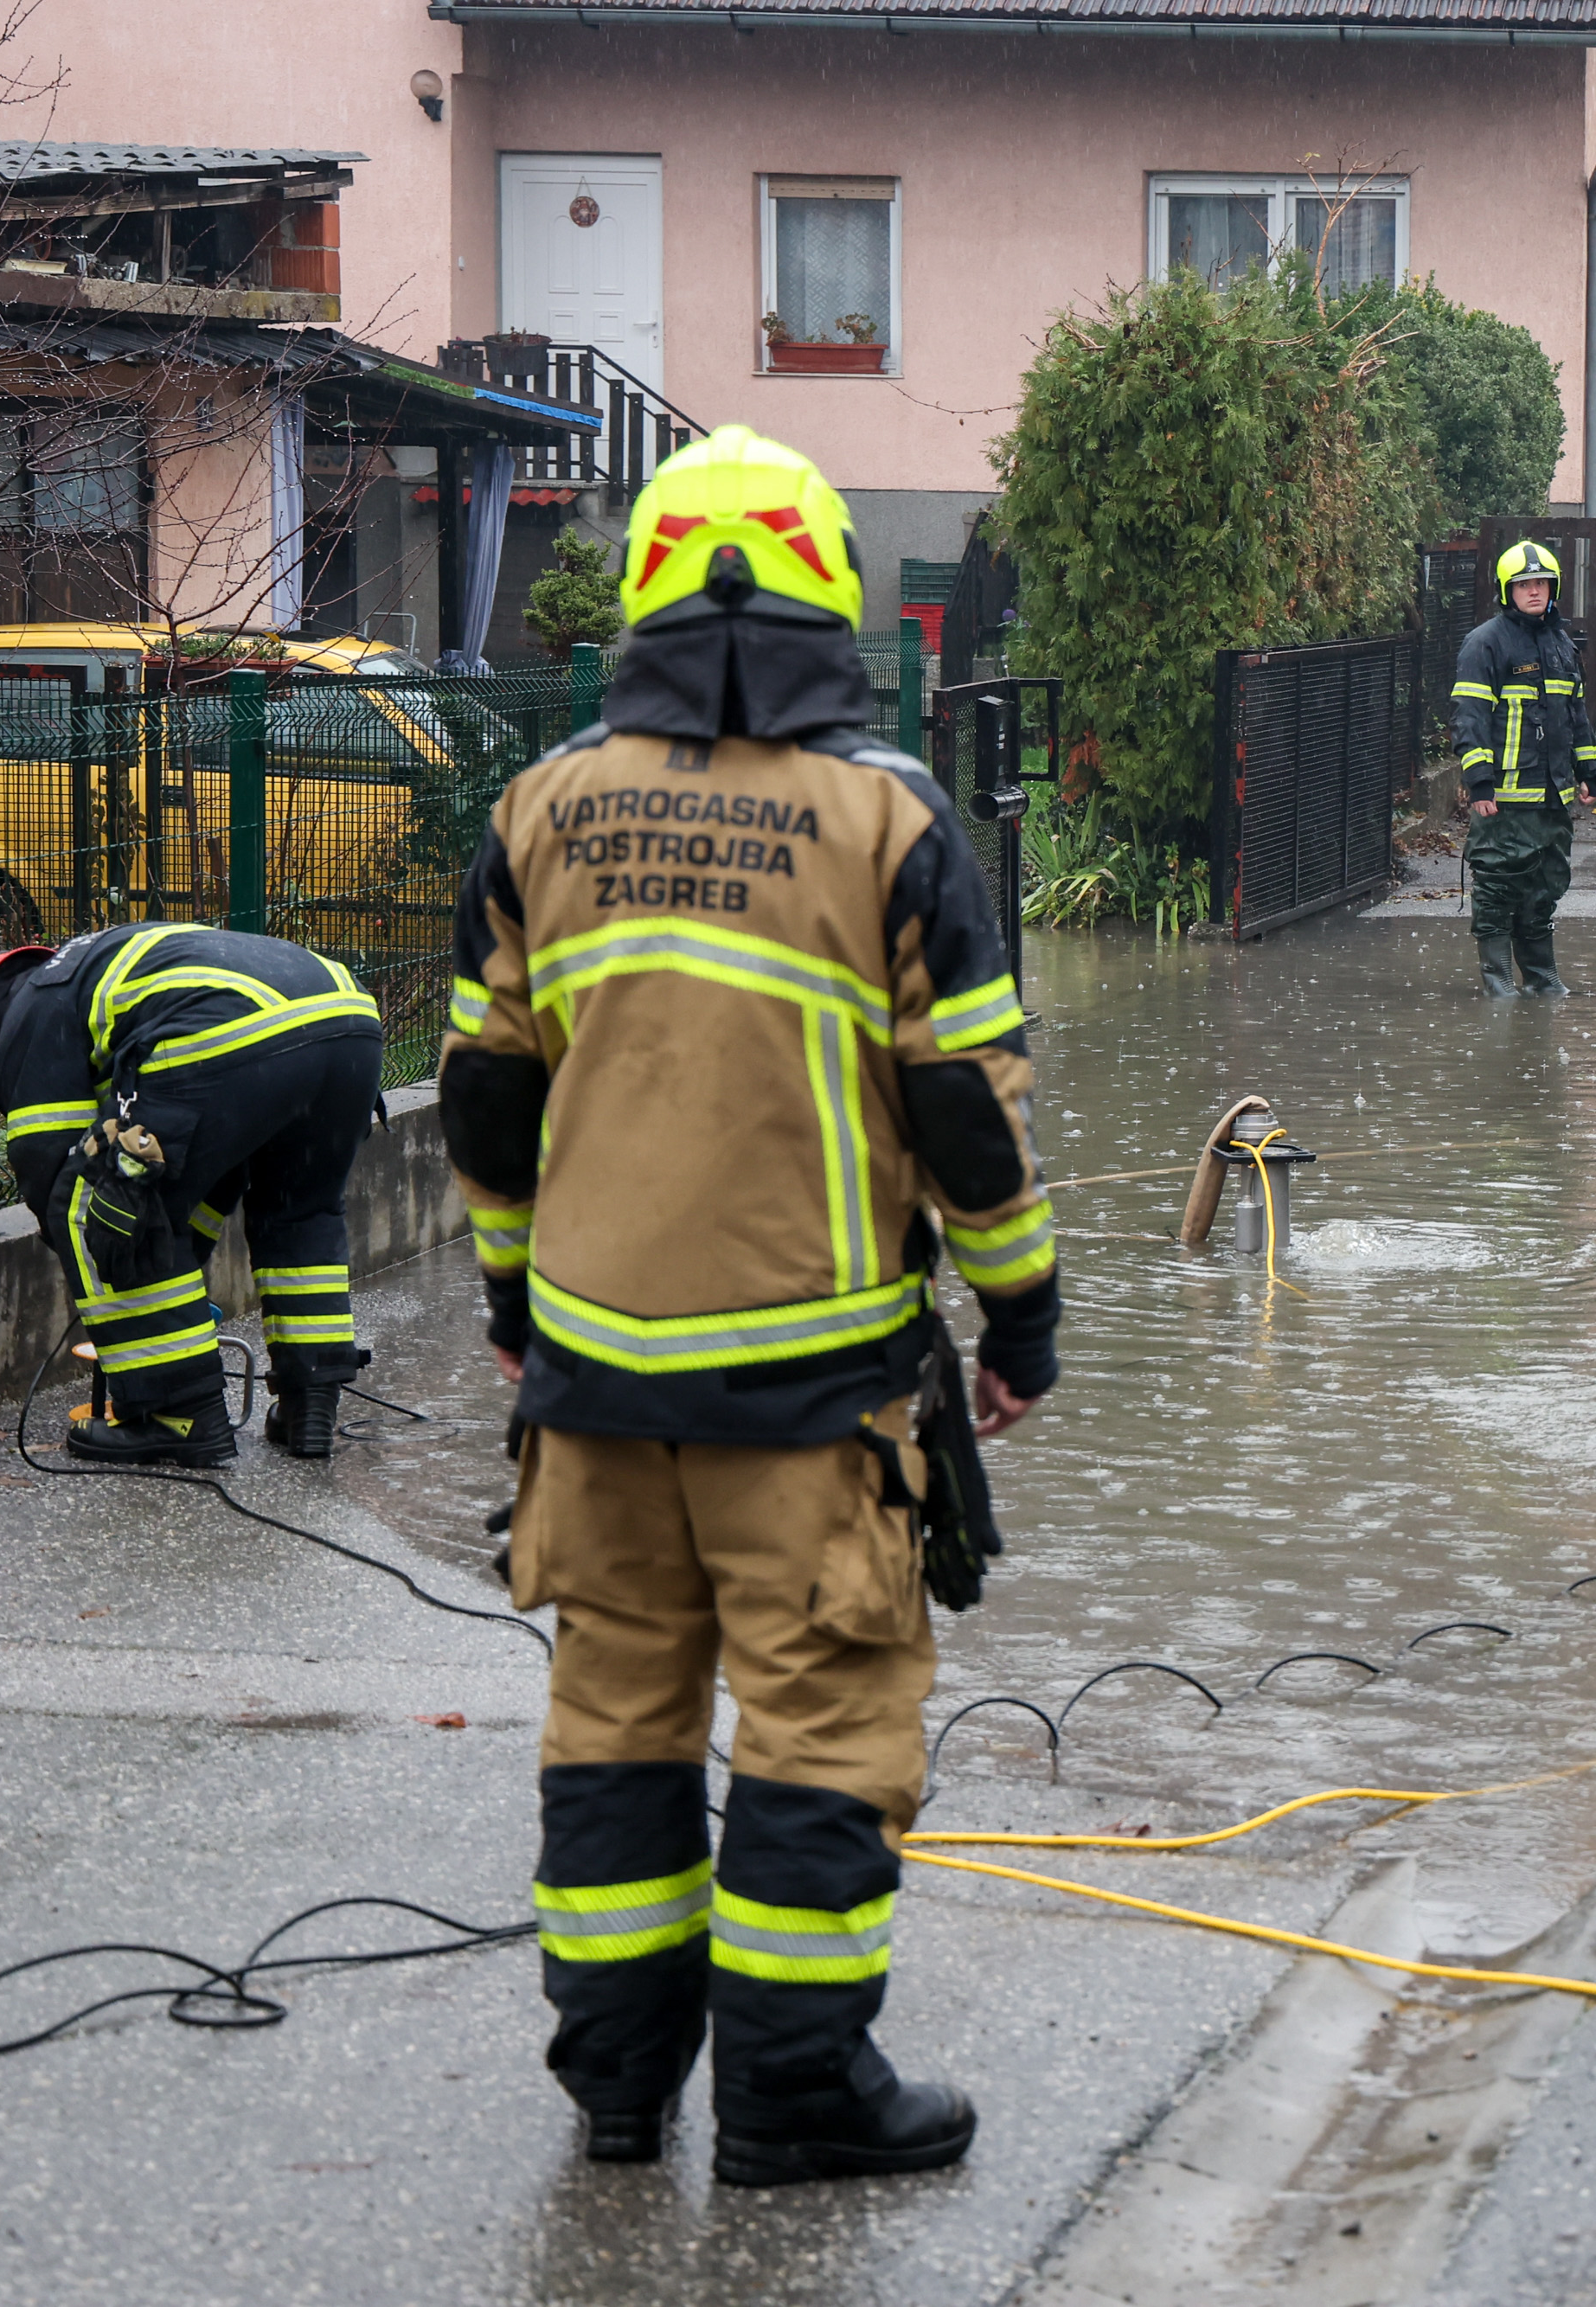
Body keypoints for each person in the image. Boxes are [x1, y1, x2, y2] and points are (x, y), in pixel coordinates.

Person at [438, 423, 1059, 2184]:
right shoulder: (888, 818)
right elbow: (965, 1113)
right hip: (807, 1397)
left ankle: (616, 2088)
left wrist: (507, 1290)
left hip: (593, 1382)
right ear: (826, 593)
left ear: (643, 588)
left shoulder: (541, 809)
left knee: (616, 1720)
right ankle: (793, 2096)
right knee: (820, 1724)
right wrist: (1019, 1327)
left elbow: (487, 1091)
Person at [0, 927, 384, 1465]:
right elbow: (199, 1166)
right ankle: (311, 1405)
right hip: (349, 1024)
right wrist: (172, 1260)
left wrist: (124, 1270)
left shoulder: (33, 1009)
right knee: (299, 1214)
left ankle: (180, 1415)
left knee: (93, 1208)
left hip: (233, 1034)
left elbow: (49, 1171)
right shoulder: (90, 967)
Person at [1449, 538, 1596, 995]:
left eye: (1541, 583)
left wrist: (1589, 771)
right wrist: (1479, 784)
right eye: (1523, 585)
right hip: (1505, 800)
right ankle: (1498, 984)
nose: (1534, 592)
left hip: (1552, 797)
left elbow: (1576, 716)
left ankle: (1542, 980)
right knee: (1498, 886)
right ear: (1506, 591)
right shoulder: (1485, 644)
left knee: (1545, 887)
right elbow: (1468, 717)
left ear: (1552, 588)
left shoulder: (1560, 644)